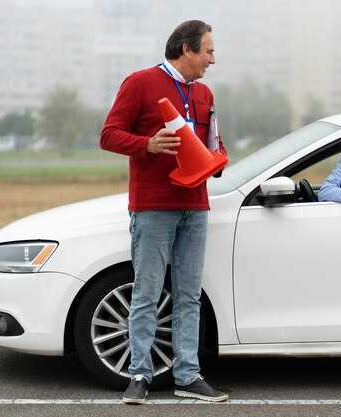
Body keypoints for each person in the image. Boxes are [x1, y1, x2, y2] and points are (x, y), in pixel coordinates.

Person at [100, 20, 228, 404]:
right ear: (187, 49)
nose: (212, 59)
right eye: (208, 51)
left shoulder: (204, 93)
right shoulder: (140, 82)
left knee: (189, 295)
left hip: (196, 206)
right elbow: (108, 135)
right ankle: (139, 374)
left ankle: (187, 375)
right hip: (153, 206)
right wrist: (147, 144)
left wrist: (218, 158)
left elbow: (213, 142)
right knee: (147, 293)